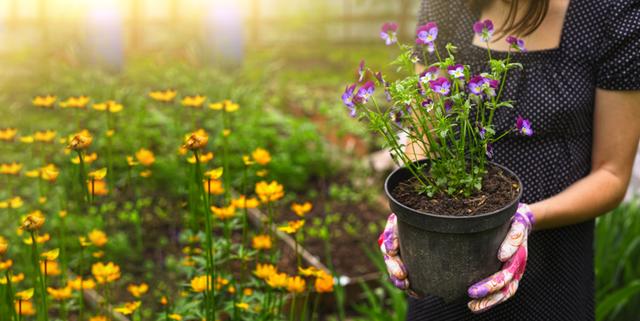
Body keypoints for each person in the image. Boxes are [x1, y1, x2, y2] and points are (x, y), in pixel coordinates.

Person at [378, 0, 640, 319]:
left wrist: (525, 219)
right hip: (445, 259)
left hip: (553, 269)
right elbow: (424, 136)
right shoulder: (447, 5)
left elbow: (611, 174)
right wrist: (406, 215)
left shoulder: (612, 13)